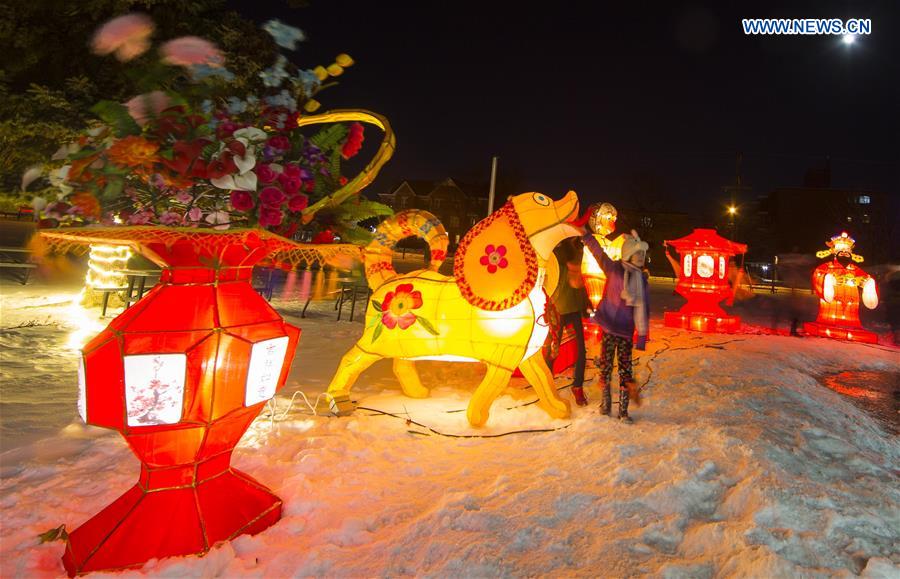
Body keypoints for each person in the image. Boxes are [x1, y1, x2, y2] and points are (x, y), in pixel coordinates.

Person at [582, 229, 650, 423]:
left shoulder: (641, 281)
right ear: (628, 253)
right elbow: (598, 253)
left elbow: (643, 309)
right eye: (638, 254)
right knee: (605, 367)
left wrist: (643, 335)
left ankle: (623, 411)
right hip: (609, 328)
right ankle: (605, 403)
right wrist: (586, 236)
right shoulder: (613, 269)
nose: (641, 258)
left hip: (626, 333)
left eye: (643, 255)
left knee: (625, 372)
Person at [551, 237, 589, 406]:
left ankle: (577, 386)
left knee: (580, 350)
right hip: (560, 309)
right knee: (553, 349)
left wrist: (585, 303)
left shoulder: (577, 250)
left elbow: (580, 281)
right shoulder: (560, 253)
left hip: (572, 307)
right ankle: (548, 386)